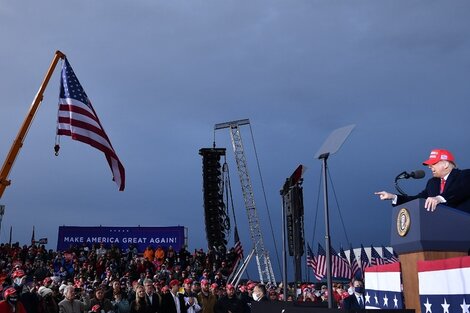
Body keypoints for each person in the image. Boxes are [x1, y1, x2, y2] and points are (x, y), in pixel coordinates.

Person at [375, 149, 470, 213]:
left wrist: (439, 198)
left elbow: (460, 191)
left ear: (445, 164)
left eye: (433, 163)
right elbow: (418, 199)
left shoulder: (465, 175)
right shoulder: (432, 183)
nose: (429, 167)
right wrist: (394, 197)